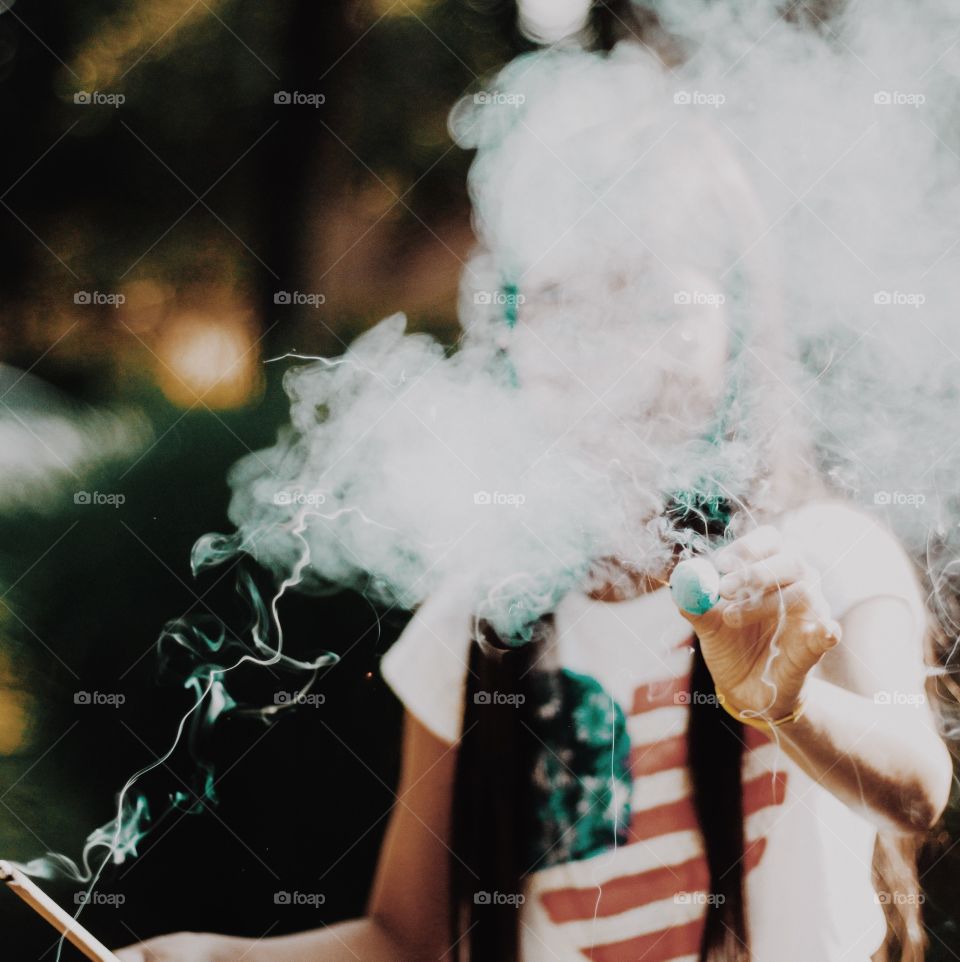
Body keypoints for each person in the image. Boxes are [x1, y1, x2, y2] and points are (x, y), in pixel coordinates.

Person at [116, 9, 954, 962]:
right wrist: (204, 958)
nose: (598, 347)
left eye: (642, 291)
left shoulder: (826, 553)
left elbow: (916, 788)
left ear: (736, 317)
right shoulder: (476, 621)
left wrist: (786, 706)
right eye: (557, 299)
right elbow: (405, 935)